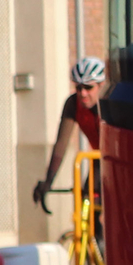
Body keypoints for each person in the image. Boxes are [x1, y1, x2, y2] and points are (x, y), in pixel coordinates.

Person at [34, 56, 106, 215]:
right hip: (97, 158)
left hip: (116, 160)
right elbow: (61, 144)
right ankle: (94, 236)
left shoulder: (110, 102)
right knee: (87, 204)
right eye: (78, 87)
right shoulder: (73, 104)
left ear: (100, 86)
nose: (83, 93)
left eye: (88, 87)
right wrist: (48, 181)